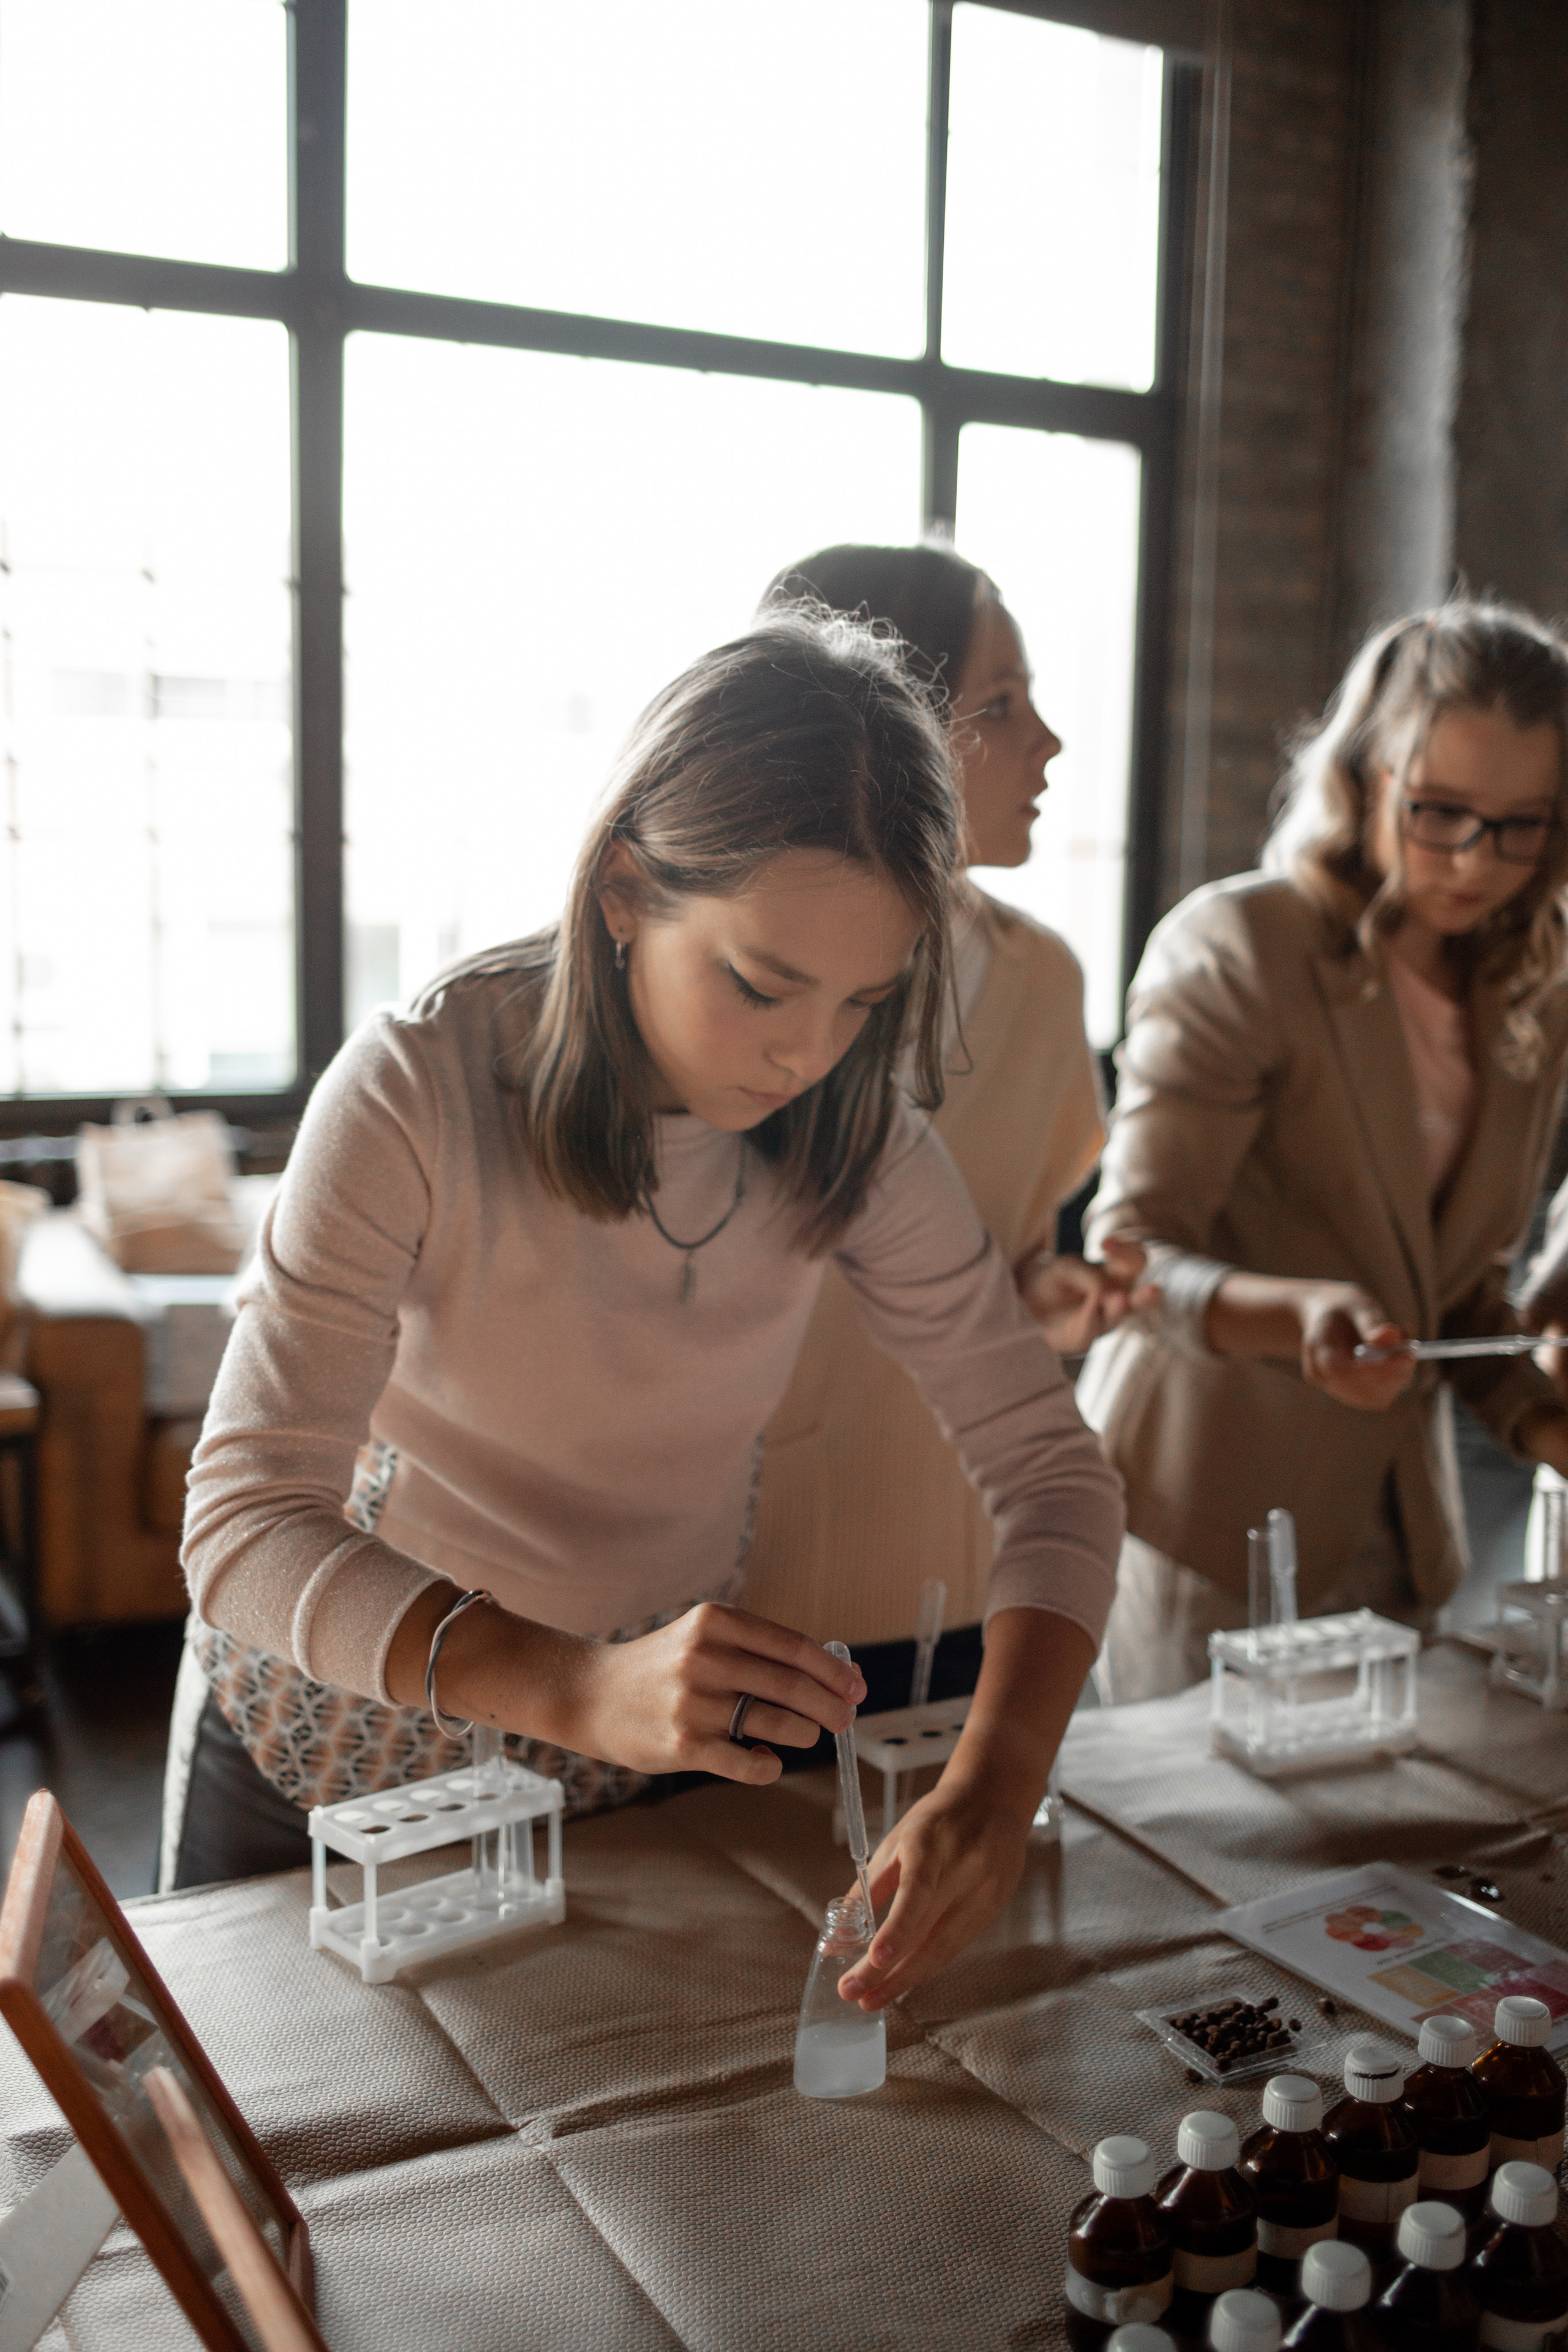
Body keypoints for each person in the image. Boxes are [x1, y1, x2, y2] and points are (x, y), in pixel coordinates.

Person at [167, 607, 1123, 2011]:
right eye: (759, 983)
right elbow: (242, 1528)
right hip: (337, 1713)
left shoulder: (853, 1127)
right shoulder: (419, 1082)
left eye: (864, 999)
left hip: (626, 1733)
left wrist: (993, 1782)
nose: (807, 1053)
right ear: (622, 888)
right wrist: (569, 1686)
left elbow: (1052, 1473)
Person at [1079, 599, 1568, 1701]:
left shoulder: (1533, 984)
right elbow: (1129, 1256)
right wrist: (1292, 1314)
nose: (1477, 861)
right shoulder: (1242, 946)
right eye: (1441, 811)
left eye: (1522, 824)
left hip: (1405, 1532)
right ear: (1366, 775)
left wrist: (1541, 1421)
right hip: (1209, 1520)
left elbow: (1459, 1289)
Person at [743, 541, 1147, 1702]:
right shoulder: (726, 981)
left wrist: (1050, 1302)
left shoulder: (1043, 983)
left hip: (975, 1592)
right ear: (878, 725)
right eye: (1004, 704)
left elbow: (1004, 1273)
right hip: (741, 1602)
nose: (1050, 743)